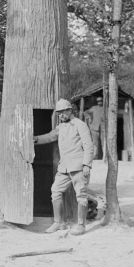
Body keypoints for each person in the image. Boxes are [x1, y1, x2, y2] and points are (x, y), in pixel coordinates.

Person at [33, 99, 94, 235]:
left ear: (69, 110)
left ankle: (81, 225)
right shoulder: (60, 127)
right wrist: (35, 139)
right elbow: (50, 137)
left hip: (79, 167)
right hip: (64, 167)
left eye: (62, 112)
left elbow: (89, 146)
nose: (60, 115)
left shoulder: (80, 125)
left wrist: (87, 164)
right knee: (55, 191)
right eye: (58, 113)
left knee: (81, 195)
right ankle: (58, 222)